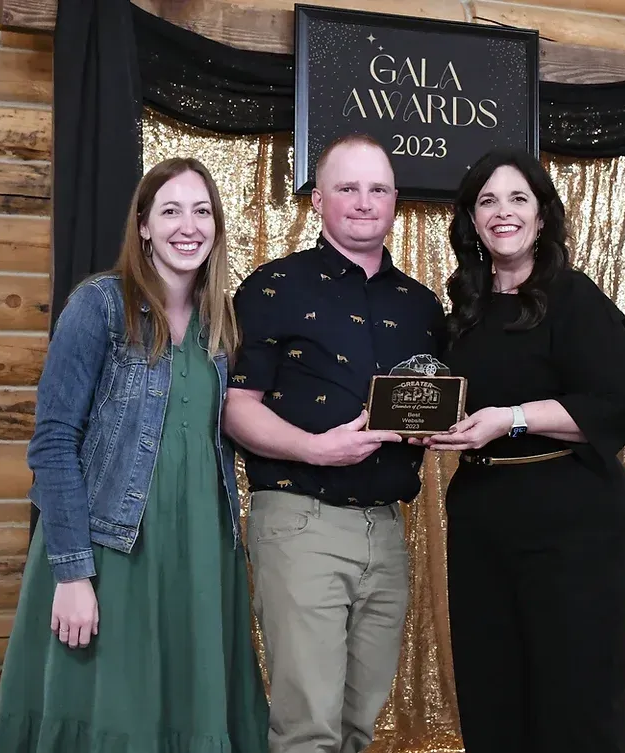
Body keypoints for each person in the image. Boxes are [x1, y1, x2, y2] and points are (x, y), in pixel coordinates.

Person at [0, 158, 269, 752]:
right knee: (113, 711)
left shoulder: (223, 323)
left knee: (189, 712)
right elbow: (54, 440)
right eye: (170, 211)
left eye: (201, 211)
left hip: (202, 556)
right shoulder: (101, 306)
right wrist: (72, 572)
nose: (187, 226)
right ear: (142, 226)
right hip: (114, 552)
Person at [224, 134, 445, 753]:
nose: (363, 201)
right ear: (317, 199)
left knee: (357, 727)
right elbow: (236, 409)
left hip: (387, 526)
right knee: (307, 727)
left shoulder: (423, 306)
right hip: (300, 520)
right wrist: (315, 448)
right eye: (347, 188)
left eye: (377, 189)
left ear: (396, 201)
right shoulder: (273, 287)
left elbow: (432, 401)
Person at [418, 148, 625, 752]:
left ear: (542, 217)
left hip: (570, 522)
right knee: (492, 684)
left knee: (573, 690)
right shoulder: (464, 311)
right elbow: (449, 401)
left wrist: (509, 419)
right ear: (471, 220)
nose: (503, 212)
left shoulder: (575, 299)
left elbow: (616, 404)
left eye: (518, 198)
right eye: (487, 200)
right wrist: (426, 425)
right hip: (482, 517)